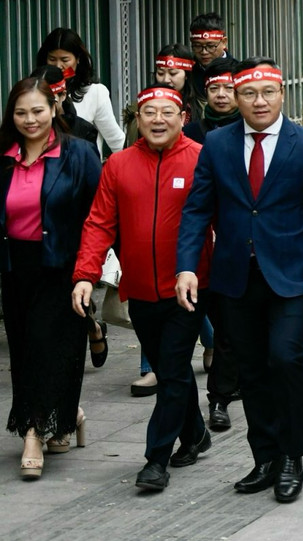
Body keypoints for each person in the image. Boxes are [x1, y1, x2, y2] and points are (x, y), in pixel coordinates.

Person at [175, 58, 303, 504]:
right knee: (249, 370)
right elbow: (197, 209)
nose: (259, 101)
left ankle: (292, 457)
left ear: (282, 94)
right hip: (234, 275)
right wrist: (187, 265)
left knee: (285, 358)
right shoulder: (217, 143)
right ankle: (264, 456)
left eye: (267, 92)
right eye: (249, 93)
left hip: (291, 275)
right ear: (237, 98)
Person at [72, 85, 211, 491]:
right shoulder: (117, 165)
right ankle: (197, 433)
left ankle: (155, 459)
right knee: (174, 368)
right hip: (141, 291)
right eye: (149, 112)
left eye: (167, 112)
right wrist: (85, 274)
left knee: (169, 373)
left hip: (188, 289)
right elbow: (99, 223)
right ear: (138, 118)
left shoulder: (201, 159)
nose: (157, 120)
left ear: (183, 117)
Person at [2, 75, 102, 480]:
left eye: (38, 111)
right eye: (21, 112)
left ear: (54, 109)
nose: (30, 120)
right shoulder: (4, 156)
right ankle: (68, 414)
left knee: (46, 346)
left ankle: (32, 435)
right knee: (25, 351)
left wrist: (90, 271)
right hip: (15, 267)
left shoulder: (78, 153)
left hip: (63, 266)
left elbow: (99, 215)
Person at [196, 58, 241, 431]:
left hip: (253, 243)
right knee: (223, 326)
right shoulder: (197, 134)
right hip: (210, 244)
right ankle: (219, 398)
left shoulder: (257, 129)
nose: (222, 95)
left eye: (229, 87)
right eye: (214, 89)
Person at [38, 27, 124, 154]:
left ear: (78, 59)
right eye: (52, 59)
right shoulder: (33, 91)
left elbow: (117, 142)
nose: (58, 66)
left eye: (65, 60)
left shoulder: (95, 93)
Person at [123, 44, 206, 146]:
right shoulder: (138, 108)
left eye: (173, 73)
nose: (166, 80)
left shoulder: (203, 109)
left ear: (186, 75)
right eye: (161, 73)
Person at [189, 13, 235, 98]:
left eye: (210, 46)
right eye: (197, 46)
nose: (204, 52)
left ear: (224, 42)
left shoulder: (239, 71)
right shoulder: (187, 74)